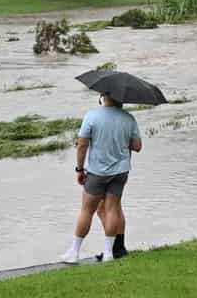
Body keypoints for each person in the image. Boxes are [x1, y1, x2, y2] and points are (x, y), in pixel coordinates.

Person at [62, 92, 142, 264]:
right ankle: (109, 253)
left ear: (103, 96)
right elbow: (137, 146)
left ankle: (74, 252)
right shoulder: (128, 118)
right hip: (120, 172)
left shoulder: (92, 116)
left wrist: (79, 169)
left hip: (97, 172)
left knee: (87, 211)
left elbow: (82, 144)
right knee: (113, 209)